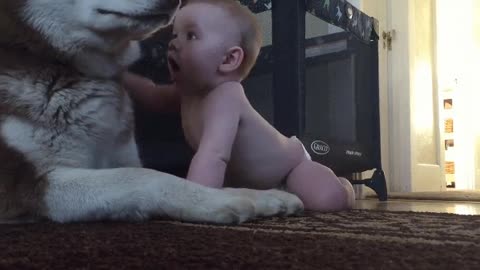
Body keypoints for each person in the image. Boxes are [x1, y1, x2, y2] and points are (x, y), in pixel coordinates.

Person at [123, 0, 355, 211]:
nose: (173, 44)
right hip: (249, 186)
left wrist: (192, 202)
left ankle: (345, 186)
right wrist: (116, 75)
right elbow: (152, 95)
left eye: (191, 35)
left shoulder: (227, 95)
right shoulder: (187, 93)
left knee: (327, 200)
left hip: (289, 169)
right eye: (175, 35)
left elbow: (213, 155)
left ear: (228, 60)